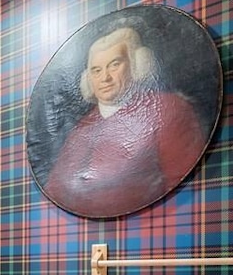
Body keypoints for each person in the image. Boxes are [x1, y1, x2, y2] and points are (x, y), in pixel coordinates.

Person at [44, 26, 208, 217]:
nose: (105, 77)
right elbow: (55, 190)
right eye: (96, 70)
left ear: (136, 64)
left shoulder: (168, 108)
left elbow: (187, 185)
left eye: (114, 65)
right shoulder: (82, 127)